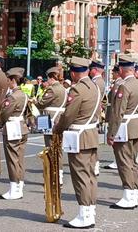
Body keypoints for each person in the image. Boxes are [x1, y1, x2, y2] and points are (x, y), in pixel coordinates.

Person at [53, 56, 101, 229]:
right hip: (91, 135)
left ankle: (84, 214)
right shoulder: (95, 86)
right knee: (90, 176)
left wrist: (57, 128)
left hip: (79, 136)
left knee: (80, 176)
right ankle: (90, 210)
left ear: (73, 73)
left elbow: (68, 116)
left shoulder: (77, 90)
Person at [107, 56, 138, 209]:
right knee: (132, 162)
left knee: (124, 163)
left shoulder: (125, 86)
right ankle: (133, 193)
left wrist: (111, 134)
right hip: (135, 126)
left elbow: (117, 113)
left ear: (121, 70)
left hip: (125, 127)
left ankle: (128, 194)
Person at [0, 67, 28, 200]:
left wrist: (0, 123)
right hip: (21, 126)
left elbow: (5, 113)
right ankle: (19, 185)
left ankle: (14, 188)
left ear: (12, 80)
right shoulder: (23, 94)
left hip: (12, 126)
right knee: (20, 159)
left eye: (8, 80)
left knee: (12, 159)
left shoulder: (13, 96)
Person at [35, 67, 67, 186]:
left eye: (47, 78)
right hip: (59, 120)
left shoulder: (52, 90)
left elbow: (41, 103)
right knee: (57, 150)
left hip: (51, 121)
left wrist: (35, 99)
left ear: (52, 77)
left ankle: (54, 176)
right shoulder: (63, 89)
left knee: (51, 149)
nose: (46, 80)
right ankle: (59, 175)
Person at [104, 65, 123, 170]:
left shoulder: (118, 84)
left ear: (118, 73)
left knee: (115, 137)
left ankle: (117, 160)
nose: (112, 75)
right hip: (113, 112)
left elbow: (115, 101)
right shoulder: (117, 83)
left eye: (113, 73)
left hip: (114, 113)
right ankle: (117, 159)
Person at [89, 60, 105, 176]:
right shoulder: (97, 81)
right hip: (95, 114)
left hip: (93, 114)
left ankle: (95, 165)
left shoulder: (97, 82)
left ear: (94, 70)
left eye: (90, 69)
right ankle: (94, 164)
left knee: (92, 142)